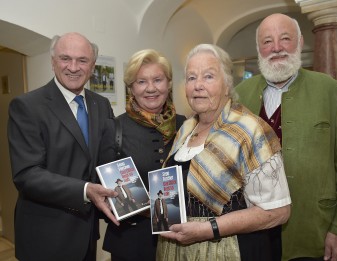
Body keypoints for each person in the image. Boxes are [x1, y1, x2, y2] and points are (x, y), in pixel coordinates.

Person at [235, 13, 337, 261]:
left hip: (314, 228)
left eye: (285, 39)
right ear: (259, 49)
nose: (277, 48)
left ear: (300, 43)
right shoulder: (240, 95)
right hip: (253, 230)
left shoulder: (330, 91)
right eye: (268, 42)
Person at [156, 43, 292, 261]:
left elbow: (277, 212)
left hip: (229, 250)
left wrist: (207, 229)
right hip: (176, 249)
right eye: (191, 78)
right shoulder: (185, 130)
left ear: (227, 85)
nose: (198, 85)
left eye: (208, 77)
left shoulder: (251, 131)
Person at [7, 32, 119, 261]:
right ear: (53, 62)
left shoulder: (101, 104)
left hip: (87, 234)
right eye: (65, 58)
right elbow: (26, 175)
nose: (73, 67)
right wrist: (85, 190)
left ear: (93, 65)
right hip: (45, 235)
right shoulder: (27, 106)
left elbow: (106, 160)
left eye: (82, 60)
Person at [103, 49, 186, 261]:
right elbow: (102, 184)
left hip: (181, 237)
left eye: (157, 80)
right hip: (131, 241)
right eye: (141, 82)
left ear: (168, 83)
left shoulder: (185, 125)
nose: (151, 88)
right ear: (131, 88)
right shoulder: (114, 127)